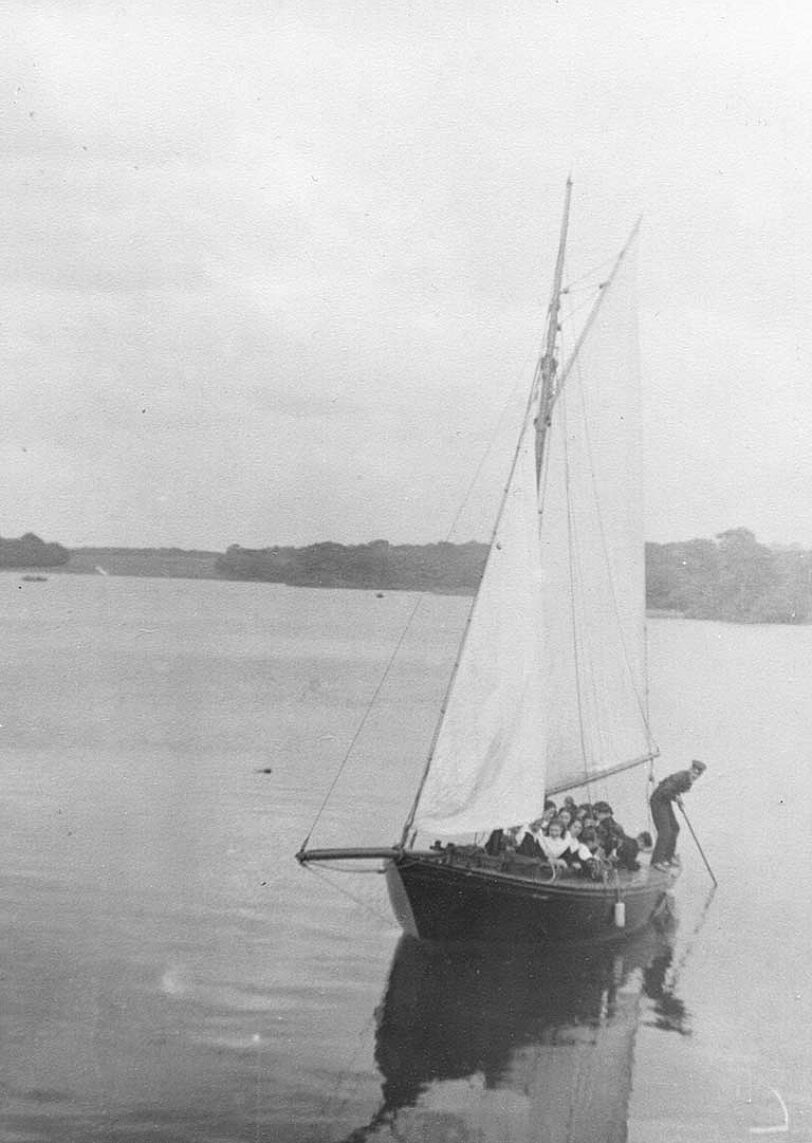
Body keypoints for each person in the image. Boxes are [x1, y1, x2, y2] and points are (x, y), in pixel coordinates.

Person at [650, 760, 706, 869]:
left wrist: (678, 799)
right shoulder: (680, 777)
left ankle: (668, 857)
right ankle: (656, 861)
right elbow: (665, 790)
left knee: (675, 828)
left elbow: (675, 790)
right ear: (690, 769)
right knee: (665, 831)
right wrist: (675, 798)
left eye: (697, 775)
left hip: (665, 801)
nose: (695, 776)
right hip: (658, 801)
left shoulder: (687, 780)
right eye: (694, 772)